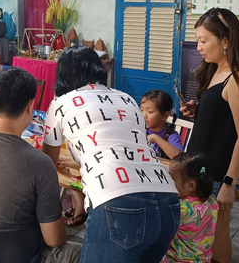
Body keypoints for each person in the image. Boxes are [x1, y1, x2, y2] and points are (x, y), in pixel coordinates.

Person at [42, 46, 180, 263]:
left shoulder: (60, 103)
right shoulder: (126, 99)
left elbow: (46, 165)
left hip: (119, 203)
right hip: (168, 200)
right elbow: (127, 152)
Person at [0, 67, 81, 263]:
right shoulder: (39, 162)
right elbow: (54, 239)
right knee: (81, 249)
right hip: (21, 257)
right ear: (31, 106)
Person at [181, 7, 239, 263]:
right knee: (200, 229)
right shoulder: (216, 69)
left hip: (219, 173)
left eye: (204, 40)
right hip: (202, 167)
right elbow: (222, 114)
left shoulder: (238, 79)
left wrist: (230, 183)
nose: (199, 47)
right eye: (197, 40)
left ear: (225, 41)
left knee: (218, 229)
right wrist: (200, 110)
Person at [162, 152, 219, 262]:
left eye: (172, 178)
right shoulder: (212, 202)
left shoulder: (180, 209)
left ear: (191, 186)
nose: (167, 181)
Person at [141, 89, 183, 159]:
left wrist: (155, 138)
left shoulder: (171, 136)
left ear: (164, 115)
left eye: (150, 112)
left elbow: (179, 158)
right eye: (142, 110)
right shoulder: (140, 130)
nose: (144, 115)